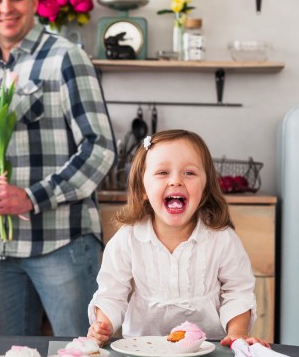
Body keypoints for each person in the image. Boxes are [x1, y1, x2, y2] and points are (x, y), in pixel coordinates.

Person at [0, 0, 117, 337]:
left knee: (80, 350)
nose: (6, 7)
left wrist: (32, 198)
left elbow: (99, 148)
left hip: (62, 243)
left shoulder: (65, 56)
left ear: (36, 1)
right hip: (4, 252)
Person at [87, 130, 270, 348]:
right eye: (163, 172)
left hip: (206, 349)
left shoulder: (221, 239)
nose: (176, 181)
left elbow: (238, 291)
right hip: (142, 349)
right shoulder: (128, 238)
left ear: (205, 187)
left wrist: (237, 332)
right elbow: (111, 293)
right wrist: (102, 324)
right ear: (143, 188)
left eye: (189, 173)